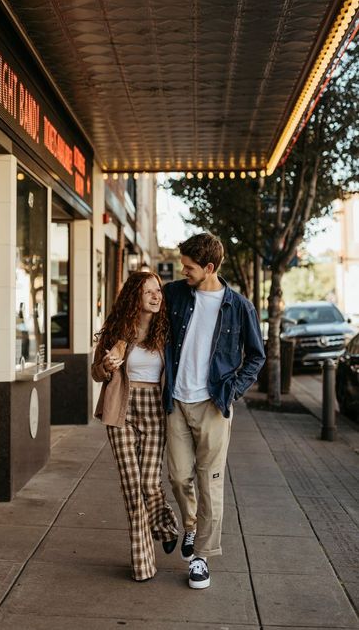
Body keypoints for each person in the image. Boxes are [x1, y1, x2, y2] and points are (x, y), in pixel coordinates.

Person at [163, 232, 265, 590]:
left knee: (210, 482)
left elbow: (256, 356)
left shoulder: (239, 306)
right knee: (177, 476)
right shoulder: (174, 294)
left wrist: (231, 391)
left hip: (213, 405)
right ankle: (190, 524)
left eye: (189, 267)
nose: (183, 271)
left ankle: (202, 558)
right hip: (176, 401)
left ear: (209, 268)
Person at [92, 270, 179, 582]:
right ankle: (143, 563)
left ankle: (165, 525)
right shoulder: (117, 331)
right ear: (134, 298)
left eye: (158, 291)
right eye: (149, 292)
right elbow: (96, 374)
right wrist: (105, 365)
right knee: (132, 487)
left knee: (149, 484)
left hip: (155, 411)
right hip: (121, 410)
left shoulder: (166, 331)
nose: (156, 297)